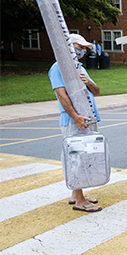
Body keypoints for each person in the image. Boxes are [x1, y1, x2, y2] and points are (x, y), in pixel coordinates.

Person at [48, 34, 102, 212]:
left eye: (84, 48)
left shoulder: (79, 68)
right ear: (69, 48)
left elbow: (97, 91)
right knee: (75, 158)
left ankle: (76, 194)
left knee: (85, 157)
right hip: (75, 121)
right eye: (80, 47)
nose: (83, 51)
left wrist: (88, 83)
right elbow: (61, 95)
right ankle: (80, 200)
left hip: (88, 119)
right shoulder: (58, 68)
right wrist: (75, 117)